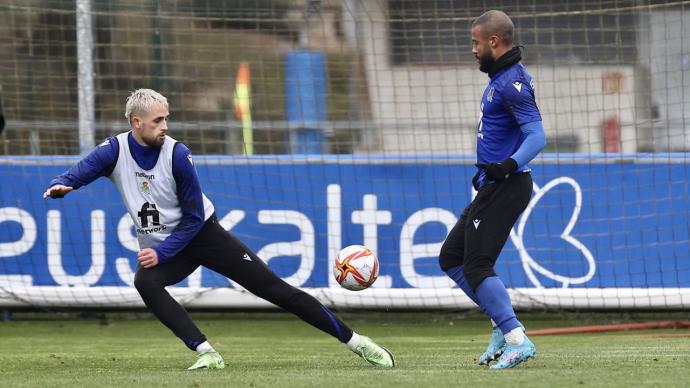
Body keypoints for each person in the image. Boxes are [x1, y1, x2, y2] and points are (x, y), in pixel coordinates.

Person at [44, 89, 395, 370]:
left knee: (276, 290)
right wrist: (64, 184)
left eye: (167, 118)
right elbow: (83, 170)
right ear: (136, 122)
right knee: (145, 282)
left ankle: (358, 343)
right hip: (168, 247)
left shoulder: (178, 155)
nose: (165, 125)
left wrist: (162, 252)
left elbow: (194, 218)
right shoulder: (114, 150)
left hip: (204, 236)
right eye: (158, 120)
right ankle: (206, 352)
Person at [439, 10, 546, 369]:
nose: (473, 49)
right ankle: (502, 326)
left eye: (476, 42)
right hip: (493, 185)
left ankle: (517, 340)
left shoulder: (511, 82)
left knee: (477, 265)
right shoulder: (500, 77)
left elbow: (537, 136)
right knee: (451, 258)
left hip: (508, 184)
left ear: (494, 42)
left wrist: (507, 166)